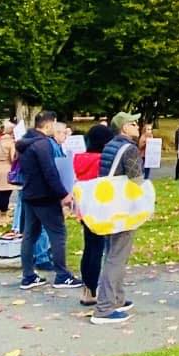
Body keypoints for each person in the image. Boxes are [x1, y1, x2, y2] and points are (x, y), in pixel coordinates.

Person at [16, 111, 82, 290]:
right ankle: (62, 275)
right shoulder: (43, 144)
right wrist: (63, 194)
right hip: (45, 196)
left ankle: (28, 275)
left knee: (30, 235)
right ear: (47, 125)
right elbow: (50, 172)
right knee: (58, 233)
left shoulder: (25, 142)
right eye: (54, 124)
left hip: (29, 193)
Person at [91, 112, 143, 324]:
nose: (137, 126)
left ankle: (117, 297)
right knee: (117, 256)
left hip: (109, 206)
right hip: (122, 207)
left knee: (111, 251)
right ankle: (104, 307)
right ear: (124, 128)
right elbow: (136, 180)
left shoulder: (110, 145)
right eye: (133, 123)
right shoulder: (129, 149)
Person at [73, 124, 114, 306]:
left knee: (89, 247)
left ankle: (86, 288)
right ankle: (92, 289)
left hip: (84, 207)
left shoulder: (80, 159)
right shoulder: (101, 161)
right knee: (98, 249)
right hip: (99, 208)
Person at [0, 120, 18, 226]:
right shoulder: (11, 143)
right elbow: (13, 158)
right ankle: (4, 215)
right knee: (6, 193)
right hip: (8, 167)